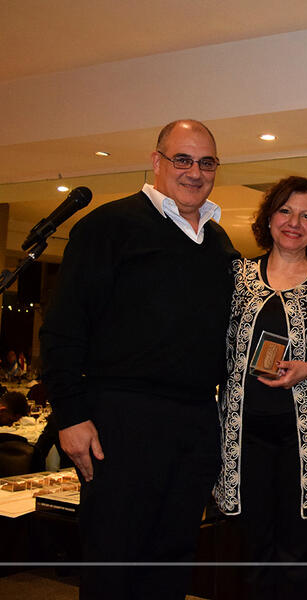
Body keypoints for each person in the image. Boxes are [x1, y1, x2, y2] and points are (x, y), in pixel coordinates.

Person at [40, 119, 238, 599]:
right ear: (157, 162)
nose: (195, 171)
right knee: (115, 560)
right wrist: (71, 414)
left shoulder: (219, 243)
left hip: (194, 420)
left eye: (206, 162)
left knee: (170, 563)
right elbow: (65, 326)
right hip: (121, 419)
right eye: (182, 159)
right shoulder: (107, 227)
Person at [213, 176, 307, 599]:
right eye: (285, 211)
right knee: (251, 555)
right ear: (269, 217)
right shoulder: (235, 278)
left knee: (301, 561)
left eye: (306, 216)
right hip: (243, 441)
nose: (294, 222)